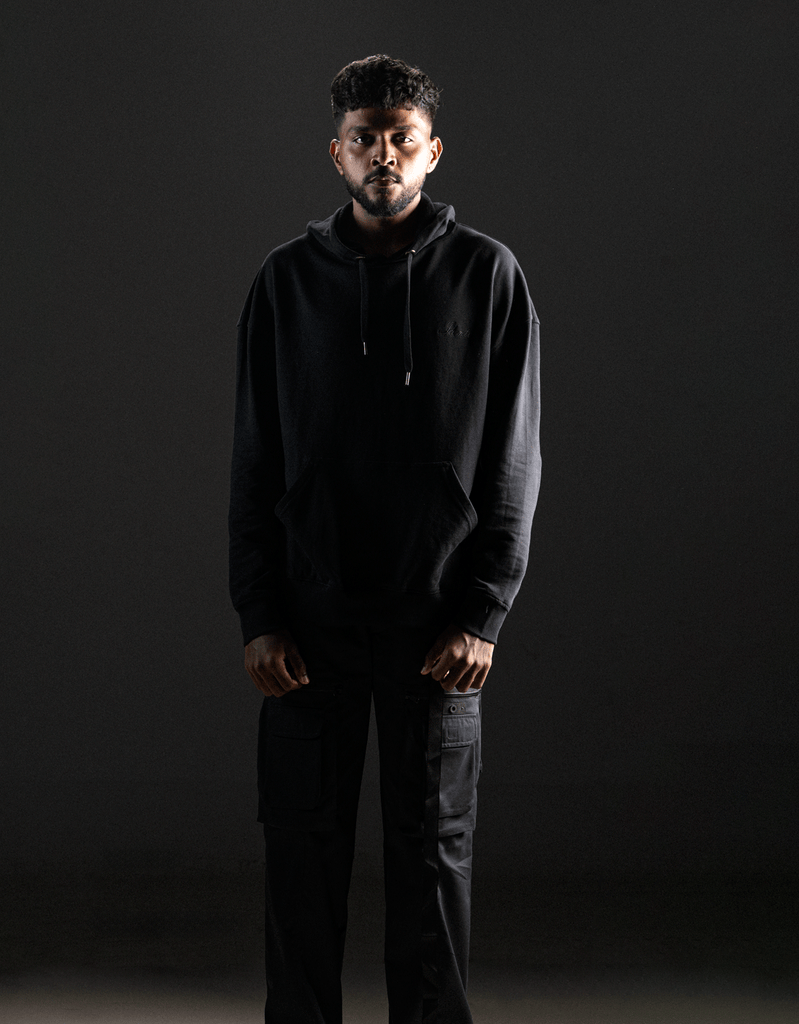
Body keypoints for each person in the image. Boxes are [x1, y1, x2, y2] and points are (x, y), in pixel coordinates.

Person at [229, 54, 541, 1024]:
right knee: (300, 858)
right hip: (310, 623)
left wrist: (484, 613)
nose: (383, 155)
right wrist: (259, 613)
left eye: (401, 138)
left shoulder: (487, 275)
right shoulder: (285, 282)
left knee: (433, 857)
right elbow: (254, 459)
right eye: (363, 139)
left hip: (436, 625)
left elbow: (514, 460)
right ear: (337, 154)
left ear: (432, 151)